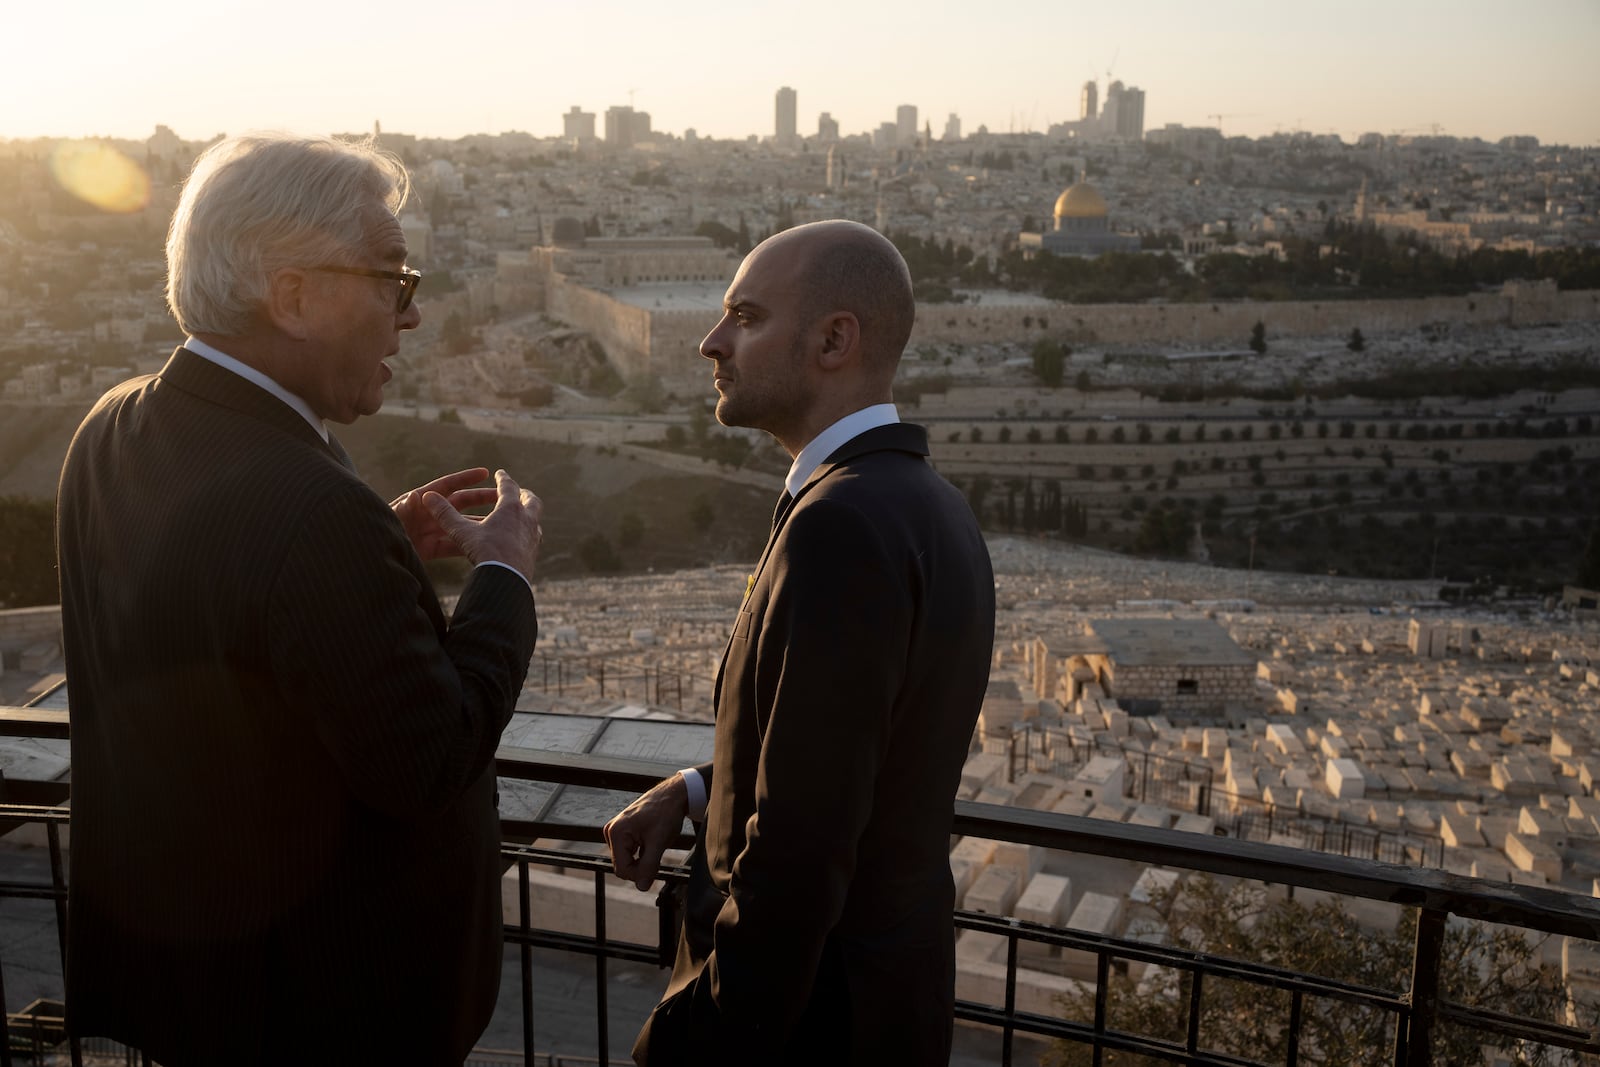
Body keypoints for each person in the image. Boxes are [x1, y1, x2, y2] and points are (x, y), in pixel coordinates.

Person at [55, 133, 542, 1066]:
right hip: (320, 1013)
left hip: (188, 986)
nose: (410, 314)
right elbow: (431, 757)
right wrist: (505, 576)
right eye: (392, 278)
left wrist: (373, 557)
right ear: (293, 296)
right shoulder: (309, 507)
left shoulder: (110, 425)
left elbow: (208, 611)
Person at [603, 219, 995, 1065]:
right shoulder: (928, 504)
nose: (711, 341)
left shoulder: (840, 524)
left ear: (833, 340)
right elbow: (860, 756)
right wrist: (705, 790)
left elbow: (801, 859)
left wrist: (691, 1040)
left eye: (744, 316)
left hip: (808, 1028)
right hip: (883, 1006)